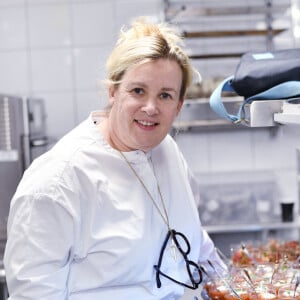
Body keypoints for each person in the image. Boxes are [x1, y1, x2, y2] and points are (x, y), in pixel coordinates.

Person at [4, 17, 226, 299]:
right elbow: (33, 293)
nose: (150, 107)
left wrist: (229, 285)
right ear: (113, 92)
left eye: (165, 96)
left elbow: (191, 236)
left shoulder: (167, 150)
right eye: (137, 91)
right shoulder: (60, 180)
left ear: (179, 106)